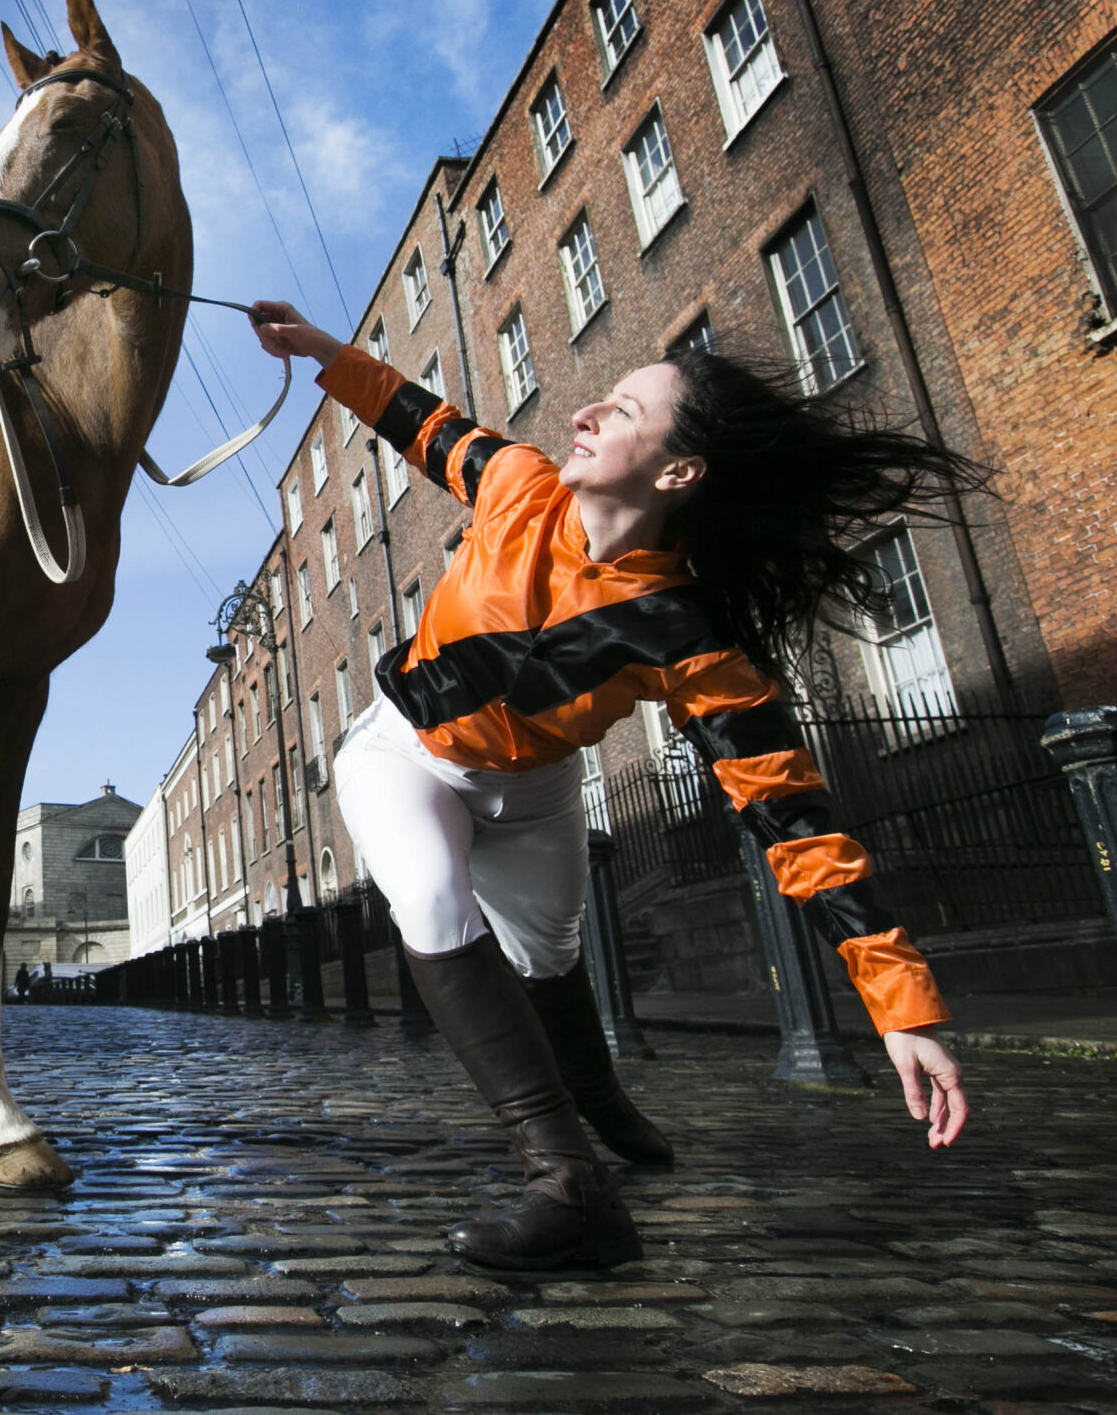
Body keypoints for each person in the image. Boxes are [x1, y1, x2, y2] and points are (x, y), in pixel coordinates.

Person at [250, 300, 972, 1272]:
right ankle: (568, 1177)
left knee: (548, 957)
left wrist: (903, 1008)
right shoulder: (516, 485)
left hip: (536, 785)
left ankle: (598, 1096)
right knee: (427, 897)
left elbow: (790, 817)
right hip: (403, 751)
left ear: (678, 474)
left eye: (625, 410)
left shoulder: (686, 632)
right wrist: (319, 347)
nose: (586, 410)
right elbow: (415, 416)